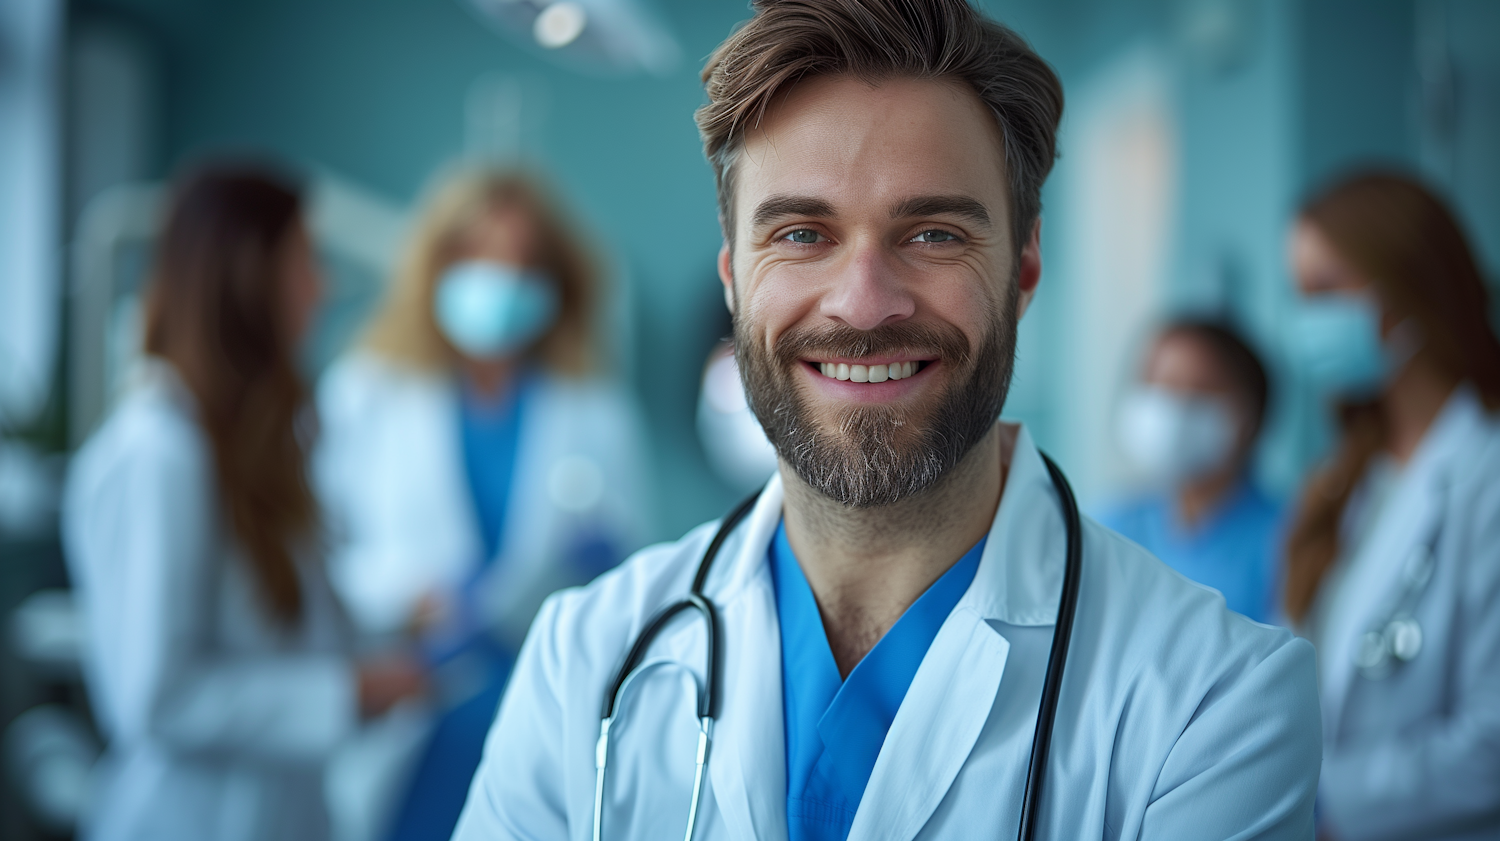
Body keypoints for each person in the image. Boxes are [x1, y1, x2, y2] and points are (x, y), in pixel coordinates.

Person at [454, 1, 1320, 838]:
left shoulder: (1216, 700)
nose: (864, 305)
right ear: (732, 274)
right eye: (801, 233)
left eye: (935, 234)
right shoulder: (586, 662)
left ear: (1022, 271)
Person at [62, 164, 425, 841]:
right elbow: (158, 698)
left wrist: (402, 625)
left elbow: (288, 625)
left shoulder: (247, 446)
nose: (323, 287)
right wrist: (347, 694)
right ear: (246, 280)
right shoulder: (157, 453)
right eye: (305, 261)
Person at [314, 166, 651, 841]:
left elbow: (638, 566)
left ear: (556, 282)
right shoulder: (367, 394)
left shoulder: (592, 408)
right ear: (435, 264)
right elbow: (316, 561)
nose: (501, 279)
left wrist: (602, 568)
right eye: (478, 255)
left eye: (523, 262)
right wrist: (407, 596)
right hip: (409, 698)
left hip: (537, 700)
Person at [1281, 172, 1500, 840]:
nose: (1308, 320)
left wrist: (1321, 796)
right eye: (1300, 294)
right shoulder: (1345, 480)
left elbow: (1491, 747)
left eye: (1327, 290)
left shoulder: (1486, 475)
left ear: (1409, 288)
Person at [1099, 319, 1281, 622]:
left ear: (1247, 414)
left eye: (1198, 391)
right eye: (1158, 386)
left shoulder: (1286, 539)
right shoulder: (1110, 527)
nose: (1174, 407)